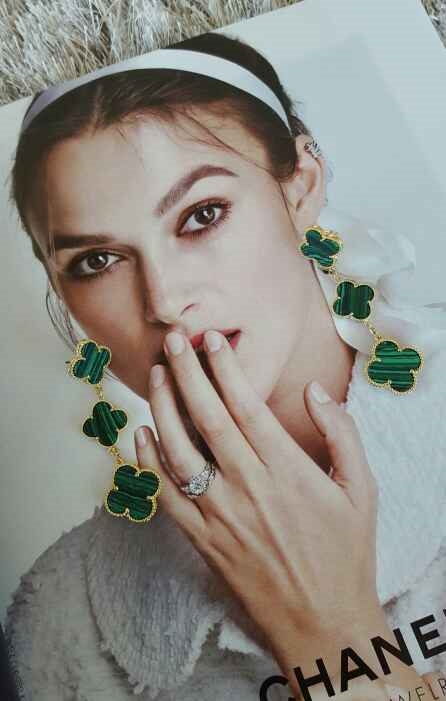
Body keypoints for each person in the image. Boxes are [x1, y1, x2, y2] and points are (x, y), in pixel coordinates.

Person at [4, 32, 446, 701]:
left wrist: (330, 635)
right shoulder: (61, 619)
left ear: (302, 186)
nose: (163, 300)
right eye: (97, 261)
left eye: (201, 215)